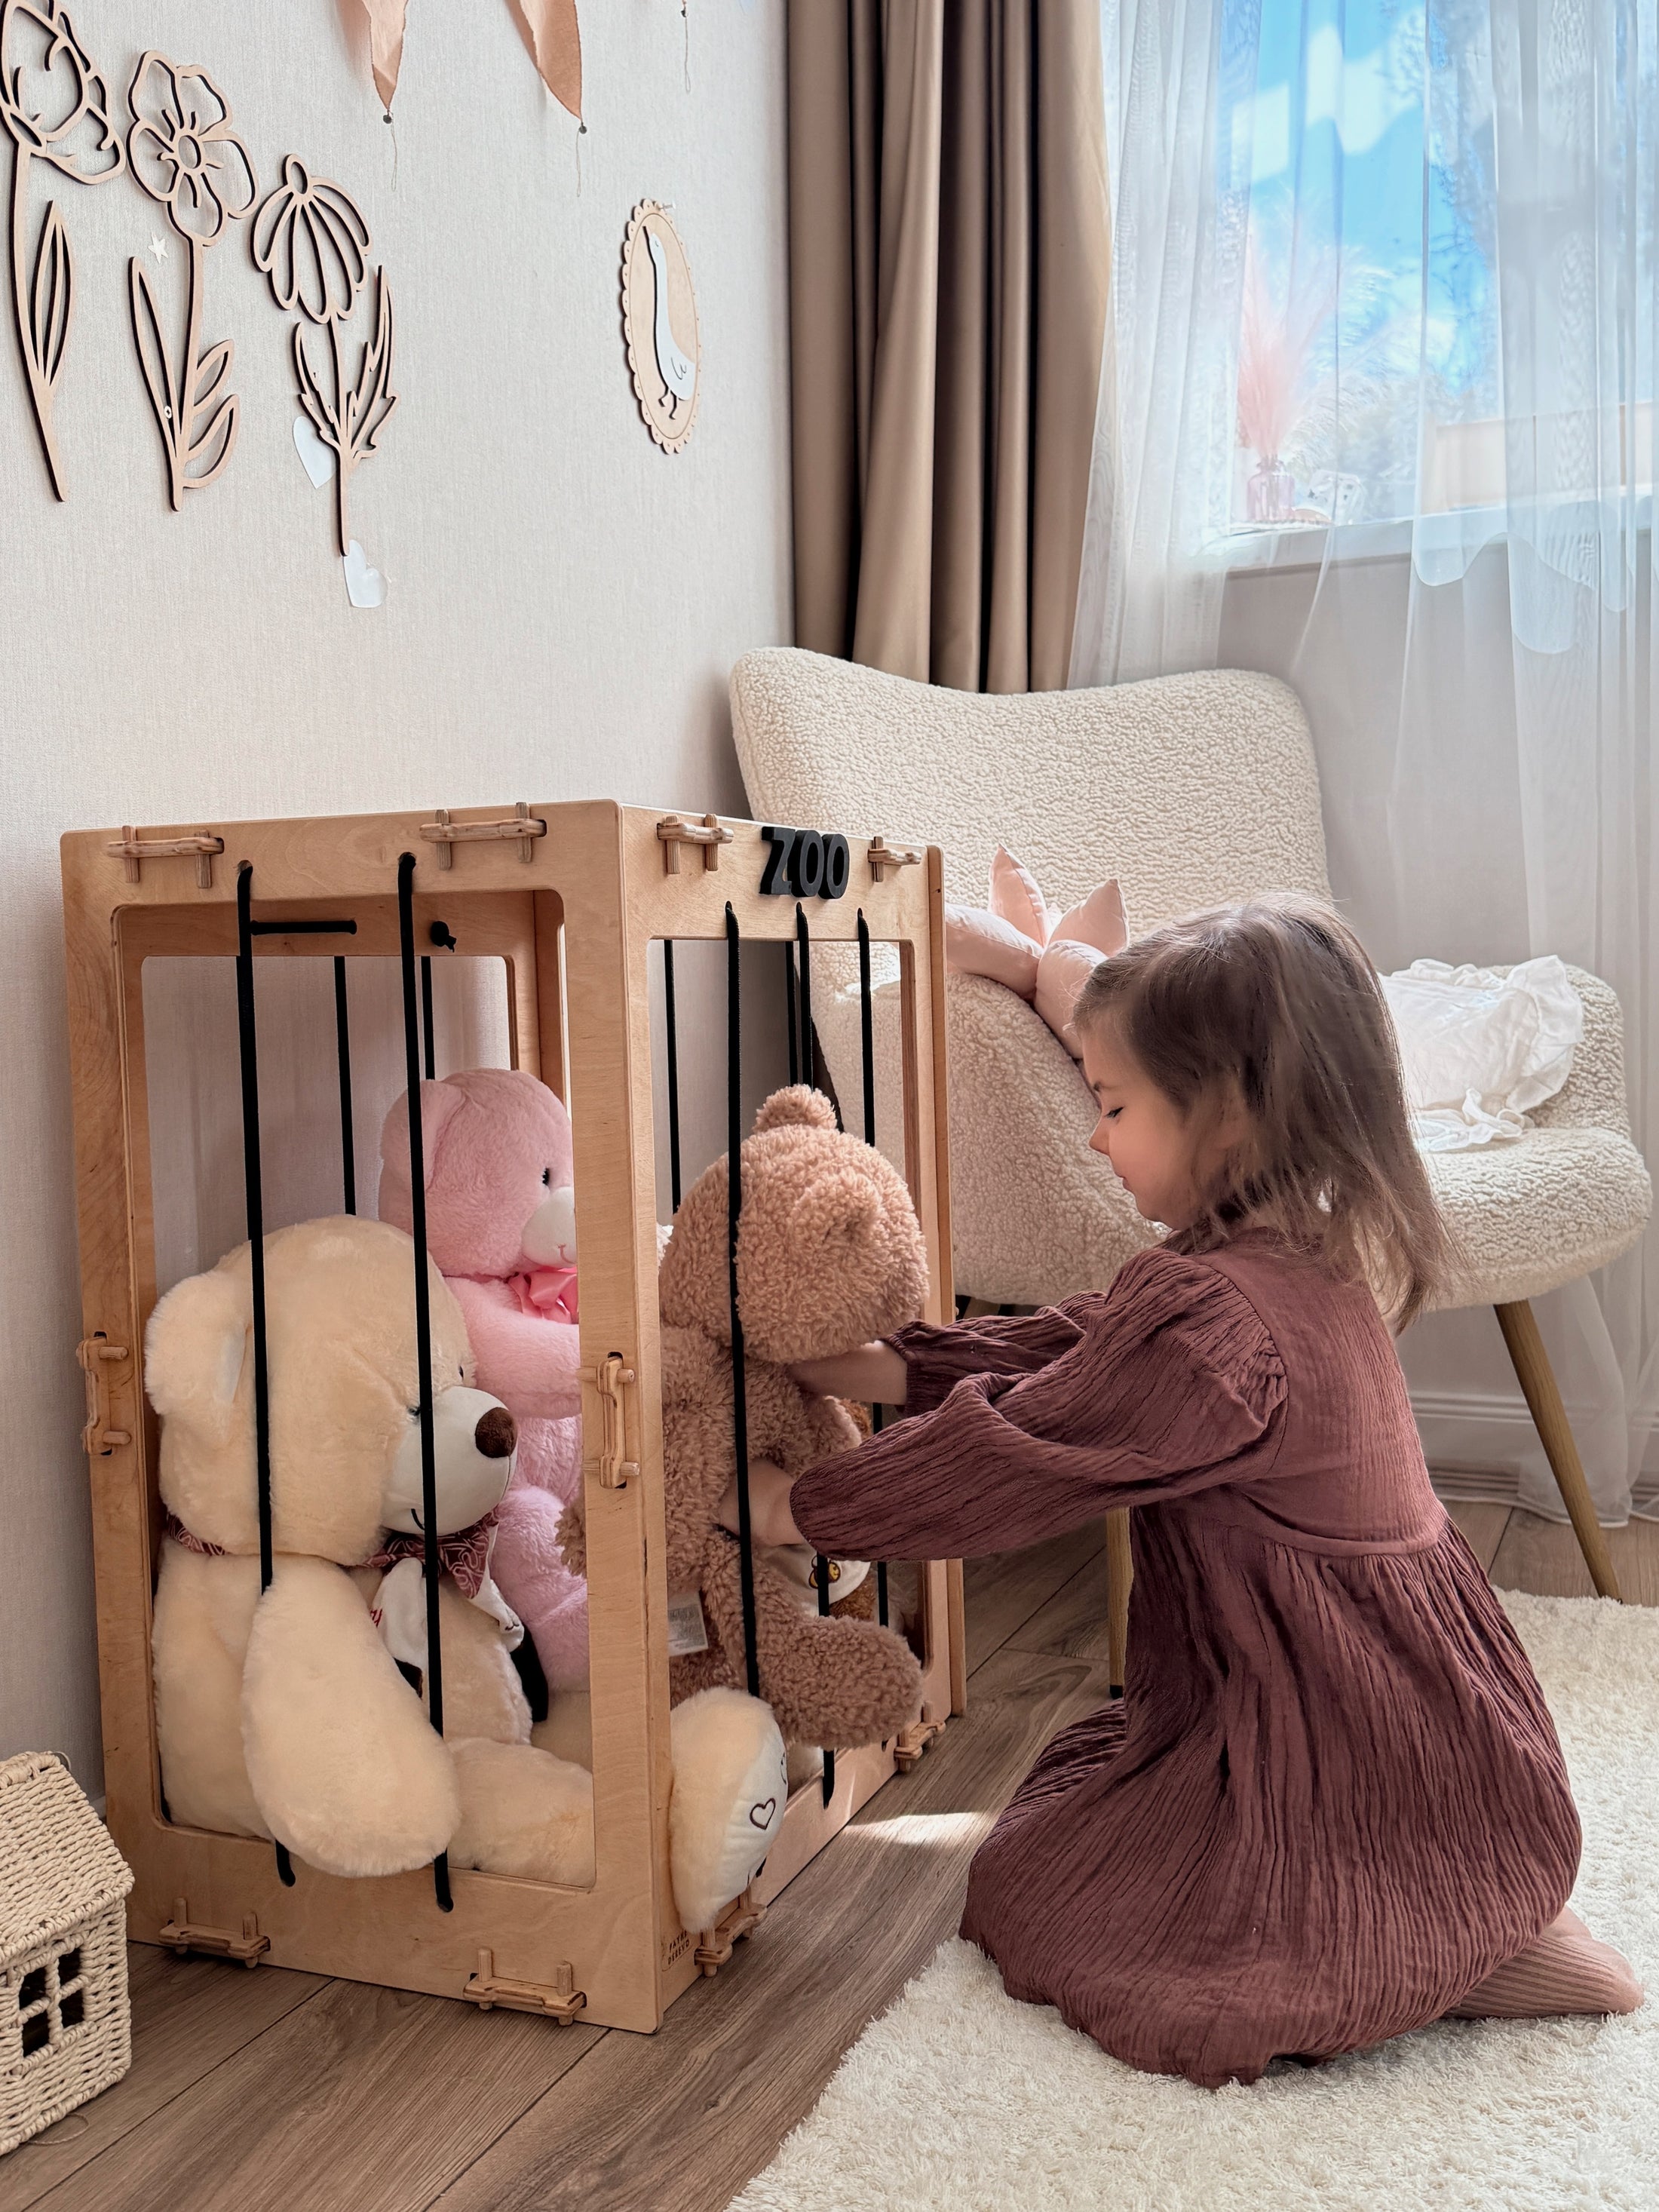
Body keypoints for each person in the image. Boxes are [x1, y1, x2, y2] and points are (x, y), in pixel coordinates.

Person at [726, 896, 1643, 2087]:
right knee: (1080, 1798)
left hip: (1347, 1737)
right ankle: (1464, 1903)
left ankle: (1449, 1941)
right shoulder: (1289, 1253)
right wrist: (869, 1363)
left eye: (1112, 1108)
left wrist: (790, 1508)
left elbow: (1018, 1455)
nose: (1097, 1140)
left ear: (1231, 1115)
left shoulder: (1217, 1322)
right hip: (1426, 1731)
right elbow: (1073, 1350)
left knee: (1044, 1889)